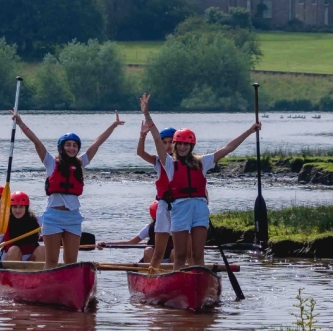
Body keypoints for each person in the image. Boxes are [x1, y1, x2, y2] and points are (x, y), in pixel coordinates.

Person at [140, 93, 261, 268]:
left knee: (198, 255)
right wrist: (147, 115)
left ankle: (198, 285)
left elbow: (228, 148)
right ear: (175, 146)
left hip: (200, 208)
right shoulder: (169, 164)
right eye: (179, 144)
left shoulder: (202, 162)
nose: (182, 147)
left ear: (191, 146)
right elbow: (158, 139)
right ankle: (179, 283)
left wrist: (250, 130)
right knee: (180, 256)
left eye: (186, 145)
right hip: (179, 208)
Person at [14, 110, 125, 269]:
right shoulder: (51, 163)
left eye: (75, 145)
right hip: (53, 217)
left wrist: (113, 126)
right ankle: (48, 287)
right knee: (51, 261)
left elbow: (97, 144)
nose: (72, 148)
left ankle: (67, 288)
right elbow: (37, 142)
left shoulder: (80, 164)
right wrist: (21, 123)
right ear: (61, 147)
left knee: (70, 262)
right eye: (68, 145)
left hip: (73, 218)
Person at [137, 123, 176, 269]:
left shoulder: (185, 161)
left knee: (179, 246)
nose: (168, 146)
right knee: (156, 246)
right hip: (165, 205)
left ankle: (180, 269)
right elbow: (140, 152)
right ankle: (154, 272)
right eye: (164, 143)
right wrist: (143, 135)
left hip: (180, 205)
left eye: (171, 142)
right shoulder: (158, 161)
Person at [97, 201, 172, 265]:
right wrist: (107, 244)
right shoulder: (149, 228)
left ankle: (176, 271)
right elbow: (131, 243)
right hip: (152, 262)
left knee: (174, 252)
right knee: (148, 250)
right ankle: (151, 275)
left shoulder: (175, 227)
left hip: (171, 260)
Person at [0, 191, 44, 262]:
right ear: (10, 207)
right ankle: (13, 271)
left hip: (30, 259)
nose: (17, 210)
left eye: (21, 207)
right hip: (11, 257)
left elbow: (48, 234)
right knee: (14, 249)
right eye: (15, 207)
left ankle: (39, 272)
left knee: (42, 249)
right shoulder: (5, 222)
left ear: (26, 207)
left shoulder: (36, 220)